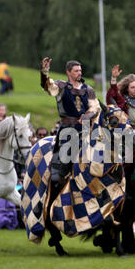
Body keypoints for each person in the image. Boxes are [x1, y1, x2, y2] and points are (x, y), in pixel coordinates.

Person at [40, 57, 101, 185]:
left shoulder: (88, 89)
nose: (79, 73)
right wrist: (45, 72)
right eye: (76, 71)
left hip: (86, 128)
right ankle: (58, 181)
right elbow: (48, 87)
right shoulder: (61, 86)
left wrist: (87, 115)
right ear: (68, 72)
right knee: (64, 159)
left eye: (80, 70)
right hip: (68, 128)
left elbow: (95, 107)